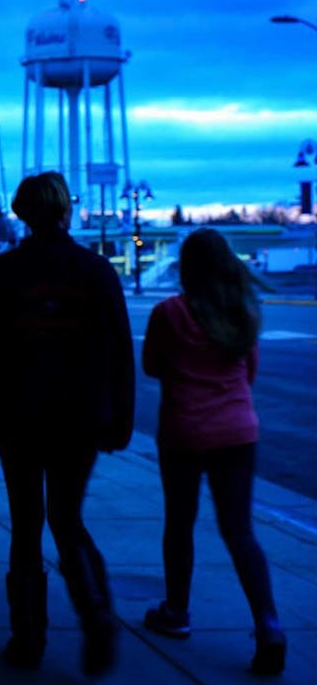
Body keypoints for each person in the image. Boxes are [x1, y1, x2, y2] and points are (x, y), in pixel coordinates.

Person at [0, 172, 134, 676]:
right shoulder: (96, 272)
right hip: (78, 419)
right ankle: (96, 613)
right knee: (68, 518)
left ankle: (28, 636)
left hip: (18, 415)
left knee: (26, 523)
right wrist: (119, 419)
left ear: (22, 213)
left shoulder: (8, 271)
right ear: (65, 210)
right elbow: (120, 353)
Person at [140, 228, 285, 675]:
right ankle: (269, 625)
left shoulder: (170, 313)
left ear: (187, 266)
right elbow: (250, 373)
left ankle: (177, 613)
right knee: (240, 532)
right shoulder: (242, 311)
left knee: (179, 524)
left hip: (184, 431)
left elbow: (151, 366)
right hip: (238, 433)